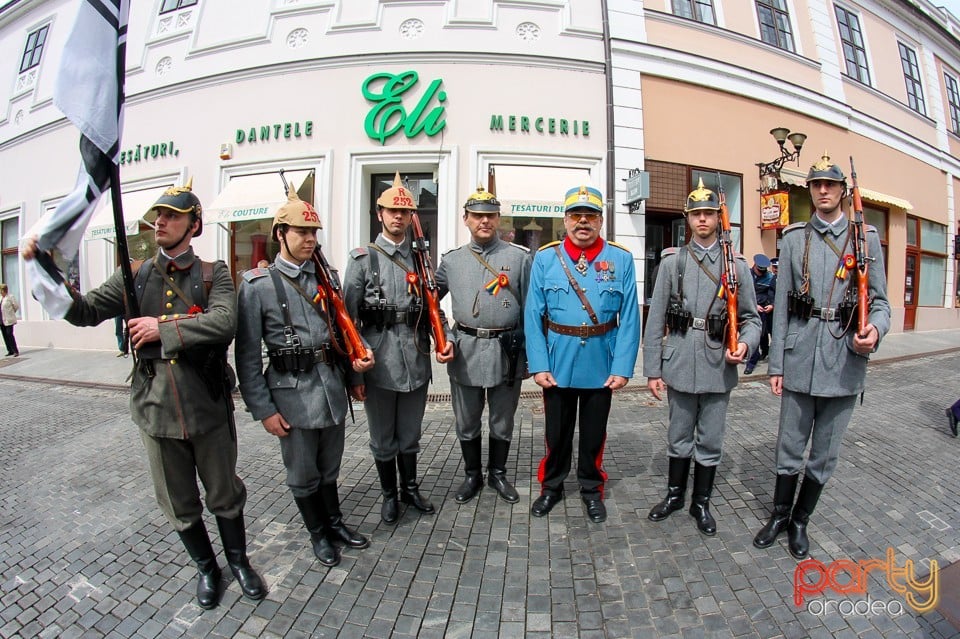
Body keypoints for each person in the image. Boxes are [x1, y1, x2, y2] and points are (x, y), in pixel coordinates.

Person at [22, 179, 265, 610]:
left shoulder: (215, 273)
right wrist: (46, 268)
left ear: (195, 224)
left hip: (208, 405)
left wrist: (162, 328)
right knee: (179, 502)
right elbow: (82, 312)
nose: (160, 222)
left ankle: (239, 562)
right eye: (158, 215)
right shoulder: (135, 276)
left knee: (224, 492)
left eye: (172, 215)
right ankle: (207, 568)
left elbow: (224, 322)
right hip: (156, 409)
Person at [753, 154, 890, 559]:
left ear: (843, 192)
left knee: (825, 451)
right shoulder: (795, 238)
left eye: (830, 185)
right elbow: (779, 307)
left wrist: (875, 330)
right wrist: (775, 364)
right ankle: (779, 514)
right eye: (816, 186)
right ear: (810, 191)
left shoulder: (866, 238)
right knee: (789, 445)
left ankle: (800, 520)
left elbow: (881, 302)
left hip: (845, 358)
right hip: (799, 354)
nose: (823, 191)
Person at [235, 188, 375, 568]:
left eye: (314, 233)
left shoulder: (326, 279)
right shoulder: (257, 286)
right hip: (291, 396)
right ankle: (318, 534)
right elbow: (246, 356)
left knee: (330, 468)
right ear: (280, 233)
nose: (310, 240)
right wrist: (262, 410)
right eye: (301, 232)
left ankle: (335, 523)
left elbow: (340, 333)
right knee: (302, 473)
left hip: (330, 387)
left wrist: (353, 376)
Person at [643, 179, 761, 535]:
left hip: (717, 364)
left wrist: (746, 345)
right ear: (688, 219)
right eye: (697, 214)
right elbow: (656, 317)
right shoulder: (672, 261)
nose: (703, 219)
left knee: (710, 439)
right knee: (678, 434)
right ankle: (675, 495)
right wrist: (652, 370)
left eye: (709, 213)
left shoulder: (736, 267)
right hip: (678, 359)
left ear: (718, 219)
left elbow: (753, 318)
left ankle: (701, 502)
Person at [524, 185, 640, 523]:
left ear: (601, 221)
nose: (583, 222)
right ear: (565, 219)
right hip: (558, 359)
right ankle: (552, 488)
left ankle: (592, 489)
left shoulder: (620, 259)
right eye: (576, 215)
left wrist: (622, 367)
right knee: (556, 434)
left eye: (590, 215)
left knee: (593, 434)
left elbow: (630, 316)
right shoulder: (546, 258)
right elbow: (533, 314)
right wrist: (539, 363)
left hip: (601, 360)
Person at [343, 172, 454, 524]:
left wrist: (444, 337)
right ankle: (389, 494)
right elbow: (346, 320)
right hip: (379, 362)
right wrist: (353, 371)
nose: (397, 217)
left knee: (410, 434)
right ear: (379, 214)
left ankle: (409, 488)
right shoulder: (363, 260)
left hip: (416, 360)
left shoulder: (422, 260)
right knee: (382, 437)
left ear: (410, 218)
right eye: (391, 211)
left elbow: (435, 306)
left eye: (404, 213)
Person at [435, 186, 532, 504]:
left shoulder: (519, 258)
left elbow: (532, 308)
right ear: (466, 219)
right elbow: (429, 305)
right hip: (465, 349)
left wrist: (531, 355)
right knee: (467, 419)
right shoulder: (451, 261)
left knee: (503, 418)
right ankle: (472, 475)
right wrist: (445, 337)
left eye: (490, 215)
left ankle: (498, 474)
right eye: (477, 215)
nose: (484, 221)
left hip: (507, 350)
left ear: (498, 218)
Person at [744, 253, 776, 374]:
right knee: (753, 336)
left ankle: (763, 352)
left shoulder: (769, 277)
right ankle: (751, 362)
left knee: (762, 335)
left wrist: (772, 305)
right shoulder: (746, 274)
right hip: (749, 309)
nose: (761, 273)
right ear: (754, 266)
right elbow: (744, 292)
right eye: (759, 270)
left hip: (763, 310)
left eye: (763, 271)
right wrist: (753, 305)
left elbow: (773, 293)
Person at [0, 283, 20, 357]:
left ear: (5, 290)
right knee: (5, 335)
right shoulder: (1, 298)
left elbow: (16, 306)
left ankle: (15, 351)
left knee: (9, 334)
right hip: (2, 320)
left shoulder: (10, 297)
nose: (1, 292)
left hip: (9, 319)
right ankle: (10, 350)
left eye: (2, 291)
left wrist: (11, 312)